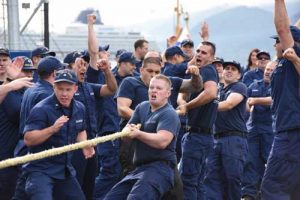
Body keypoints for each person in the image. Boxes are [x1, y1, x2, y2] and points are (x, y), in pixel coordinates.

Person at [104, 74, 181, 199]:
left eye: (159, 88)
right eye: (151, 87)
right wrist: (127, 131)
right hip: (138, 169)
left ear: (168, 93)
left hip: (160, 169)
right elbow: (125, 134)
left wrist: (138, 134)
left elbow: (162, 141)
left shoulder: (169, 113)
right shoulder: (142, 107)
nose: (154, 91)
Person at [23, 69, 95, 200]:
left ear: (75, 89)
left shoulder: (80, 108)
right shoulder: (41, 109)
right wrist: (52, 129)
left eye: (68, 90)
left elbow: (80, 130)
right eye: (60, 89)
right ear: (54, 88)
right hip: (41, 170)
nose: (64, 94)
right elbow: (28, 139)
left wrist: (84, 144)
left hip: (64, 171)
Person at [260, 0, 300, 198]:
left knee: (274, 190)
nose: (276, 42)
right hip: (290, 131)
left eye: (278, 40)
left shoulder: (293, 57)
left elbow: (283, 28)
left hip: (291, 134)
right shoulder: (287, 62)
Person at [176, 41, 219, 199]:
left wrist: (187, 106)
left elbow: (211, 93)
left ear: (212, 58)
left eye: (204, 53)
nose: (199, 54)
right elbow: (183, 92)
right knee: (197, 183)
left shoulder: (207, 70)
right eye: (198, 51)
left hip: (197, 136)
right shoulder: (198, 74)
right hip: (199, 136)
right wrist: (182, 102)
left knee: (187, 182)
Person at [204, 61, 248, 200]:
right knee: (211, 177)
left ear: (239, 75)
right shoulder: (218, 90)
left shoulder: (240, 87)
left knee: (232, 177)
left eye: (233, 69)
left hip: (233, 139)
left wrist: (203, 106)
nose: (229, 71)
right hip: (215, 139)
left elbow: (229, 104)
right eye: (227, 68)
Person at [0, 56, 36, 200]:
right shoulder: (8, 91)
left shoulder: (27, 92)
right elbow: (17, 113)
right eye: (25, 71)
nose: (28, 76)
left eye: (31, 72)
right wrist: (11, 82)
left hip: (20, 157)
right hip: (5, 157)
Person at [241, 61, 276, 200]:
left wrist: (255, 101)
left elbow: (273, 100)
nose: (268, 72)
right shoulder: (254, 85)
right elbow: (245, 103)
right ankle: (248, 194)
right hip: (253, 129)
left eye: (271, 70)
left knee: (271, 161)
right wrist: (247, 105)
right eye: (267, 69)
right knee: (250, 161)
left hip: (271, 129)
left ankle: (270, 193)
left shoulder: (279, 85)